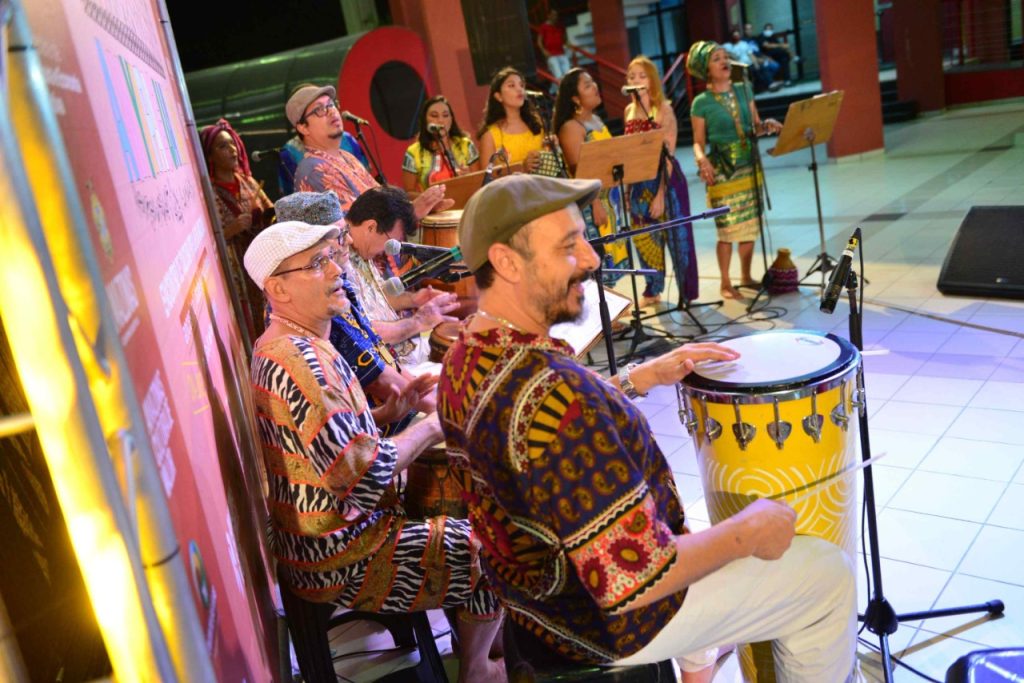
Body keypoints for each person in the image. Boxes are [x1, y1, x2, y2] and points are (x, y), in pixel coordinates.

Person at [436, 174, 858, 682]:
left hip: (536, 603)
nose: (592, 259)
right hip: (598, 622)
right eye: (569, 246)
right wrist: (746, 533)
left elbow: (539, 434)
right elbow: (633, 579)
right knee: (825, 575)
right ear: (506, 262)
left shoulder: (464, 356)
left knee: (689, 535)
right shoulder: (560, 394)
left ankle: (701, 659)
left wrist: (638, 377)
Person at [243, 221, 505, 683]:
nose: (337, 271)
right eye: (318, 263)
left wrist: (386, 413)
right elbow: (364, 477)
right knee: (496, 545)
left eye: (333, 257)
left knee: (470, 514)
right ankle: (477, 669)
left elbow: (328, 446)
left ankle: (484, 642)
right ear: (278, 289)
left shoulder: (290, 342)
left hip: (323, 538)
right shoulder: (303, 364)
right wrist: (437, 424)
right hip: (341, 554)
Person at [274, 190, 438, 436]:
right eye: (340, 236)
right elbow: (376, 377)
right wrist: (440, 413)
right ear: (310, 249)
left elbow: (376, 350)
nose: (349, 241)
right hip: (377, 434)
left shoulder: (339, 283)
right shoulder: (315, 300)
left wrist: (423, 394)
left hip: (385, 415)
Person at [688, 41, 782, 300]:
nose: (724, 61)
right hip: (722, 172)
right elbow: (698, 141)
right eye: (716, 58)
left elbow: (755, 127)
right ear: (706, 69)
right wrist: (702, 160)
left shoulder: (744, 89)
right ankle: (725, 283)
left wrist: (767, 125)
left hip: (749, 167)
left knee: (749, 226)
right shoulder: (701, 103)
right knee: (727, 230)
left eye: (725, 56)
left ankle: (746, 276)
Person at [288, 83, 450, 217]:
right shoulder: (314, 170)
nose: (331, 111)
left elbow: (381, 203)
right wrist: (412, 212)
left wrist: (421, 206)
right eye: (319, 109)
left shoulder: (346, 156)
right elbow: (358, 226)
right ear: (303, 127)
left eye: (331, 104)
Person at [345, 186, 459, 368]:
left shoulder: (363, 250)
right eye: (392, 242)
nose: (390, 251)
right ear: (371, 227)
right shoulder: (337, 259)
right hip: (388, 367)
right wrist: (418, 322)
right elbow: (357, 331)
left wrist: (413, 299)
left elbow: (374, 297)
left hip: (406, 351)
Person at [623, 56, 699, 307]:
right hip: (639, 182)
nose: (636, 80)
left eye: (641, 76)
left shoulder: (664, 110)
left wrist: (660, 195)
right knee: (645, 238)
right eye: (631, 76)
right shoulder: (628, 111)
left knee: (679, 238)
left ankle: (687, 293)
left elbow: (669, 154)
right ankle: (652, 290)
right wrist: (628, 191)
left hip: (666, 181)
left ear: (652, 80)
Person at [200, 118, 274, 339]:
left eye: (232, 143)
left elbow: (271, 212)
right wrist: (230, 230)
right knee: (249, 326)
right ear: (210, 156)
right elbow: (204, 242)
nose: (232, 150)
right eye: (223, 146)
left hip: (262, 265)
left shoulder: (247, 181)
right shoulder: (206, 193)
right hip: (235, 275)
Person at [552, 67, 626, 282]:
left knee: (615, 262)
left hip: (611, 199)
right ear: (575, 98)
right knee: (599, 267)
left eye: (593, 82)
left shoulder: (596, 120)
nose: (595, 87)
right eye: (587, 85)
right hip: (593, 203)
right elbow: (579, 173)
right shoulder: (571, 127)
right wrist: (595, 204)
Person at [401, 95, 480, 196]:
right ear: (425, 120)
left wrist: (469, 177)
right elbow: (409, 192)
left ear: (451, 119)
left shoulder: (466, 144)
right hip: (434, 205)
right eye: (434, 116)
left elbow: (480, 182)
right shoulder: (413, 152)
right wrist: (431, 198)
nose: (441, 120)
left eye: (445, 115)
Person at [477, 67, 545, 174]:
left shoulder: (536, 124)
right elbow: (487, 178)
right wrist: (521, 169)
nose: (519, 89)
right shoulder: (490, 136)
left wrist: (552, 147)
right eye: (512, 85)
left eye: (521, 85)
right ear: (498, 96)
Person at [536, 9, 571, 81]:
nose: (555, 17)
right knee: (559, 77)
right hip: (551, 55)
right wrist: (543, 51)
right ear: (548, 16)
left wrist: (568, 46)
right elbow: (539, 41)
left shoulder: (559, 26)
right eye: (553, 15)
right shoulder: (544, 27)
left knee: (568, 76)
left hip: (562, 53)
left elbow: (565, 39)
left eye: (556, 15)